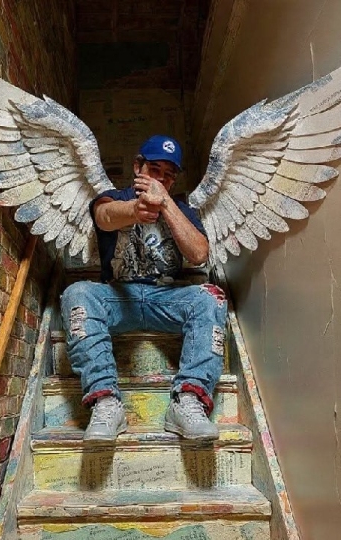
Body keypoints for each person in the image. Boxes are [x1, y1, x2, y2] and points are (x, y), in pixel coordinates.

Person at [61, 135, 227, 441]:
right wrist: (135, 210)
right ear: (138, 167)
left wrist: (166, 203)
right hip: (118, 298)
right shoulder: (113, 197)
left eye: (168, 175)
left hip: (165, 299)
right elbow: (105, 217)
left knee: (210, 297)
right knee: (78, 293)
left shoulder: (182, 209)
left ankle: (188, 400)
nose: (160, 179)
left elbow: (199, 254)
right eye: (154, 170)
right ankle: (105, 402)